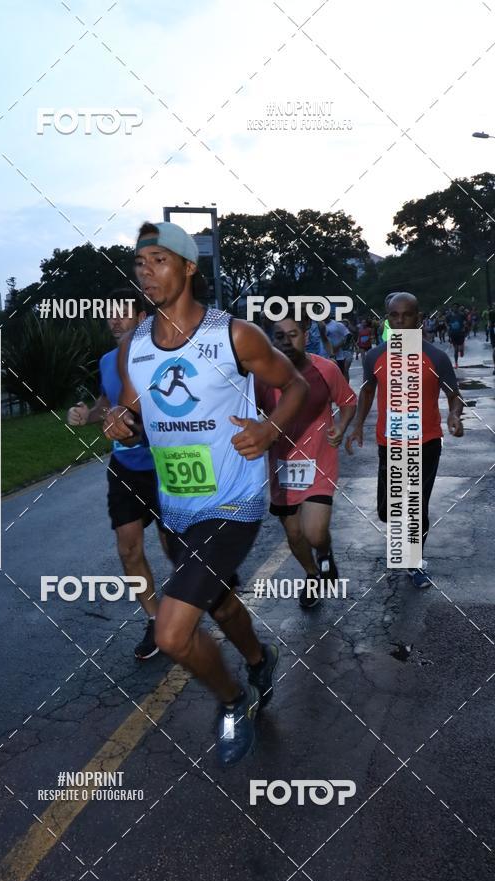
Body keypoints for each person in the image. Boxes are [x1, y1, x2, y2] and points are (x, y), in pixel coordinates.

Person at [104, 221, 309, 767]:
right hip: (176, 506)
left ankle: (234, 700)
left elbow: (296, 385)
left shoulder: (234, 335)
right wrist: (119, 421)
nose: (147, 272)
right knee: (218, 603)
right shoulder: (133, 347)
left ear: (189, 267)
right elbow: (134, 415)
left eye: (159, 260)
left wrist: (270, 430)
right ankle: (259, 660)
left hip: (234, 502)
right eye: (140, 263)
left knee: (172, 633)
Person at [67, 289, 166, 660]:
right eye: (109, 314)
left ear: (142, 318)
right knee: (128, 548)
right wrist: (87, 415)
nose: (114, 320)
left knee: (175, 547)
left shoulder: (162, 356)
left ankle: (190, 608)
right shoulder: (108, 360)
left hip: (166, 466)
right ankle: (156, 621)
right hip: (124, 467)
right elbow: (107, 402)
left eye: (122, 313)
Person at [346, 292, 464, 588]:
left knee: (415, 504)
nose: (400, 321)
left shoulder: (435, 357)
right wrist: (357, 425)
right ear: (387, 319)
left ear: (418, 318)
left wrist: (454, 415)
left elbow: (454, 395)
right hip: (389, 444)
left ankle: (414, 561)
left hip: (426, 443)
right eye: (394, 315)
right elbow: (367, 391)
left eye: (406, 315)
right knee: (388, 510)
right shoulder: (375, 356)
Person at [256, 312, 357, 607]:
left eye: (293, 334)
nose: (287, 342)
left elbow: (348, 402)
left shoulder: (326, 369)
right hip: (282, 466)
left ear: (306, 334)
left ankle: (325, 552)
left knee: (314, 533)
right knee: (294, 533)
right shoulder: (261, 378)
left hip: (319, 461)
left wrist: (341, 426)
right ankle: (312, 574)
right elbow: (249, 412)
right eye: (279, 336)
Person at [447, 303, 467, 368]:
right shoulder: (449, 315)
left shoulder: (462, 315)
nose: (455, 308)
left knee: (460, 349)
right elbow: (447, 323)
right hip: (453, 334)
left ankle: (461, 351)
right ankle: (456, 363)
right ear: (452, 308)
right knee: (456, 350)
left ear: (458, 308)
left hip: (460, 333)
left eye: (456, 307)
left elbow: (465, 322)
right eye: (454, 307)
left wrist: (464, 328)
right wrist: (448, 331)